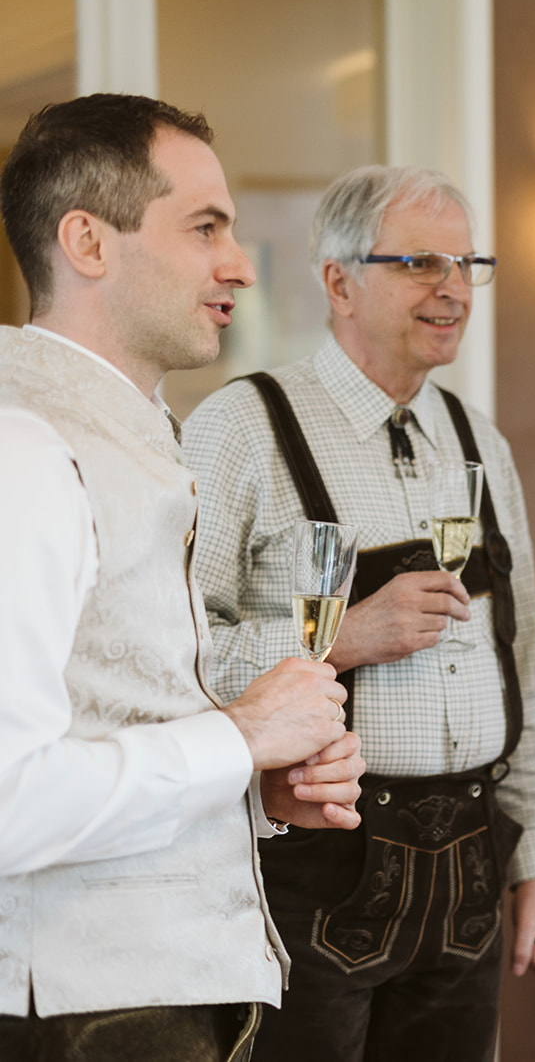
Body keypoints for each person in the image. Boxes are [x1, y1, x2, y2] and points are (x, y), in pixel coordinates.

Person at [0, 94, 364, 1061]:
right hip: (80, 1016)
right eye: (205, 228)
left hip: (158, 993)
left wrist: (250, 784)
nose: (239, 263)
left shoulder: (127, 435)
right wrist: (238, 736)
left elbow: (104, 719)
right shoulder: (27, 453)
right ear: (87, 240)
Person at [184, 165, 535, 1062]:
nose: (453, 288)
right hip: (316, 869)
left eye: (467, 263)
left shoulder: (480, 441)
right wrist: (346, 636)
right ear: (338, 280)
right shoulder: (242, 425)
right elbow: (178, 650)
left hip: (472, 872)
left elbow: (520, 669)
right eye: (420, 262)